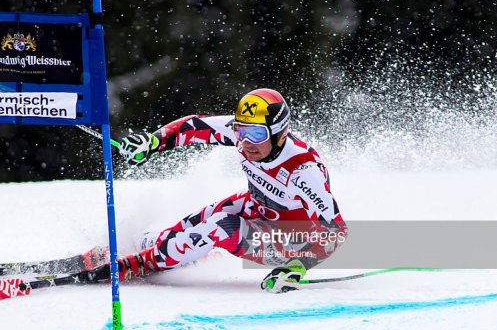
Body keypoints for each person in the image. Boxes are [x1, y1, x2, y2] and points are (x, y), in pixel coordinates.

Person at [92, 88, 347, 293]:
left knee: (220, 224)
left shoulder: (303, 170)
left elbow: (336, 232)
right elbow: (194, 126)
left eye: (257, 134)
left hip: (288, 243)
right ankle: (151, 246)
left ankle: (144, 262)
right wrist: (153, 142)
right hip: (259, 209)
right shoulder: (244, 137)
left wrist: (298, 266)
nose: (246, 142)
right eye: (241, 130)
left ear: (280, 134)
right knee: (205, 217)